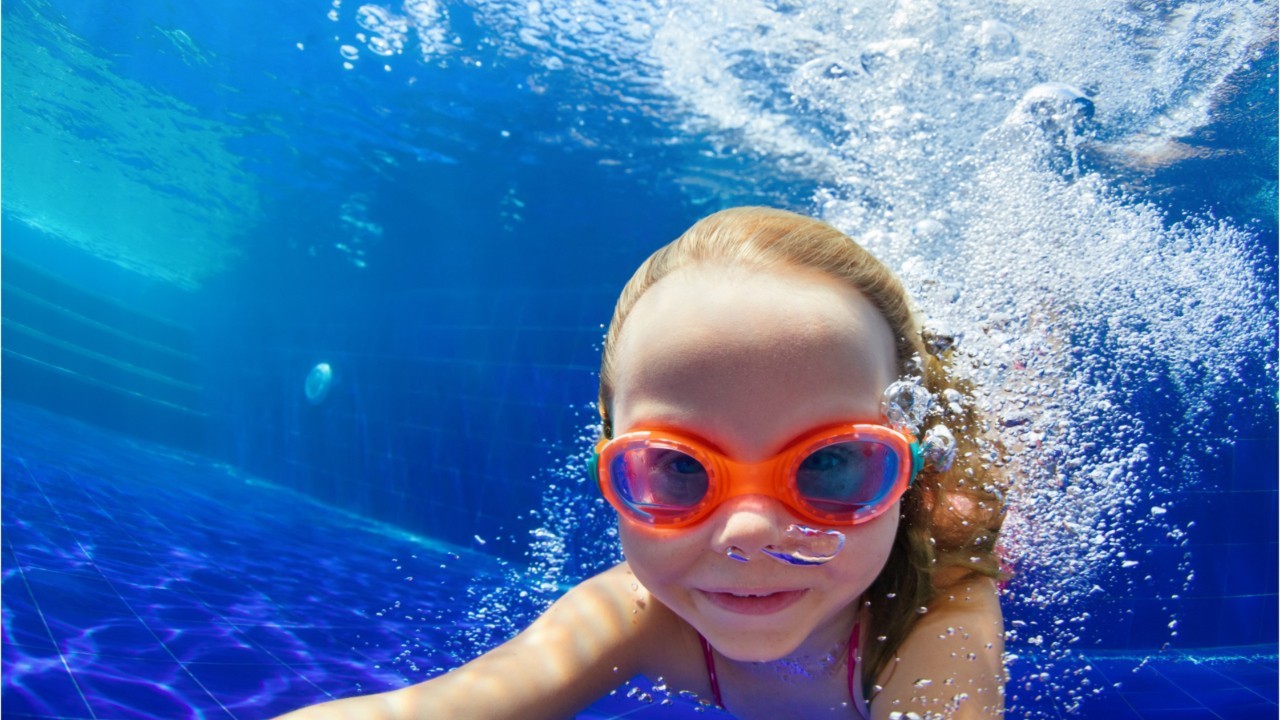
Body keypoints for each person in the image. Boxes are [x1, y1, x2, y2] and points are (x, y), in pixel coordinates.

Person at [278, 207, 1008, 719]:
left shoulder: (934, 611)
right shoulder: (637, 615)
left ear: (905, 468)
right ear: (614, 472)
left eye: (832, 466)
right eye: (681, 471)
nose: (749, 532)